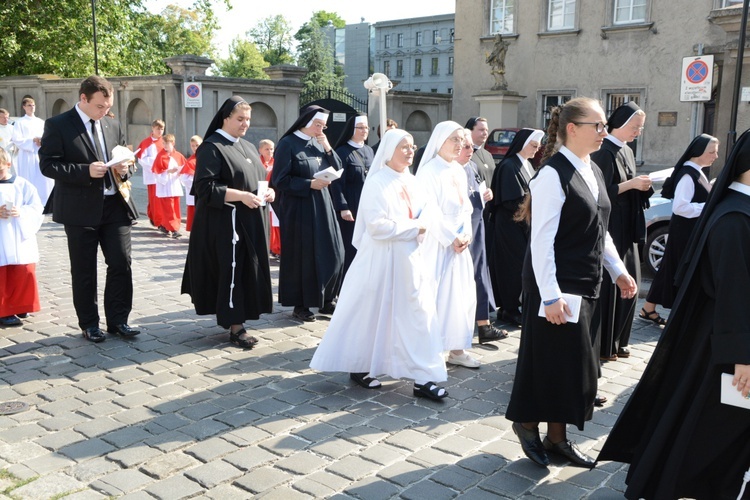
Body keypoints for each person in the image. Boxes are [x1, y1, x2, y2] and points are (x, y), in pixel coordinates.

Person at [598, 129, 750, 500]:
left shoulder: (736, 208)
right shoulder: (735, 219)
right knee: (709, 428)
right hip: (727, 348)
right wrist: (742, 359)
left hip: (723, 341)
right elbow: (734, 295)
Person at [506, 97, 637, 469]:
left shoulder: (592, 169)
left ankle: (558, 437)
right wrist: (549, 297)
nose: (603, 131)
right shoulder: (551, 175)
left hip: (586, 283)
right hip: (557, 288)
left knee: (572, 367)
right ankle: (528, 422)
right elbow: (541, 242)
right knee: (550, 364)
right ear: (573, 129)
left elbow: (600, 229)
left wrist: (617, 270)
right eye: (597, 125)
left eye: (604, 125)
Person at [310, 129, 450, 400]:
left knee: (419, 316)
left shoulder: (413, 181)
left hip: (410, 260)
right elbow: (376, 226)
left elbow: (428, 212)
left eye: (412, 146)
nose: (410, 151)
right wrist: (416, 226)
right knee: (371, 314)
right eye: (404, 147)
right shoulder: (377, 183)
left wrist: (425, 223)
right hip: (382, 261)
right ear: (389, 151)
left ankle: (423, 378)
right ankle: (360, 364)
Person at [39, 75, 140, 342]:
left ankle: (118, 320)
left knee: (121, 262)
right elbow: (48, 165)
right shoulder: (58, 125)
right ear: (83, 98)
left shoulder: (113, 123)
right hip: (79, 209)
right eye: (100, 106)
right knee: (84, 269)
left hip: (115, 206)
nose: (105, 112)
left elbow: (129, 161)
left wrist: (125, 168)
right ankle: (89, 324)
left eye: (108, 106)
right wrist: (85, 171)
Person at [182, 97, 275, 349]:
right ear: (225, 118)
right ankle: (236, 327)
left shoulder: (246, 146)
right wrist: (242, 196)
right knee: (233, 271)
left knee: (247, 271)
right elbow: (204, 187)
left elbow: (258, 180)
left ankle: (240, 319)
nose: (245, 124)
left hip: (251, 221)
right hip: (227, 224)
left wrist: (268, 193)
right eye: (240, 119)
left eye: (248, 120)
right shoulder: (212, 147)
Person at [590, 103, 652, 361]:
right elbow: (601, 193)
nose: (638, 132)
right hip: (613, 223)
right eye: (635, 127)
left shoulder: (626, 149)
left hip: (628, 224)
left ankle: (619, 339)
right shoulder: (604, 151)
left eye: (641, 128)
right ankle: (606, 344)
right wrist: (632, 184)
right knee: (614, 282)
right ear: (621, 123)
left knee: (631, 279)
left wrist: (641, 186)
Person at [271, 105, 345, 322]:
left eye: (323, 125)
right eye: (318, 125)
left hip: (323, 204)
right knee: (303, 257)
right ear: (306, 121)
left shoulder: (319, 142)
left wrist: (328, 147)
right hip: (299, 208)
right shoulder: (287, 144)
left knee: (333, 251)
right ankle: (300, 304)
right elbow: (280, 180)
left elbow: (338, 168)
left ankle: (327, 298)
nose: (321, 129)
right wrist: (309, 184)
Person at [416, 121, 480, 369]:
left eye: (462, 140)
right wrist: (451, 237)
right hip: (437, 243)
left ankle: (457, 348)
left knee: (461, 297)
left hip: (460, 244)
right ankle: (430, 349)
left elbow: (466, 208)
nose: (461, 144)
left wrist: (466, 235)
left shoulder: (458, 170)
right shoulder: (429, 172)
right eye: (455, 139)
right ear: (440, 141)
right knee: (436, 296)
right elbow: (429, 212)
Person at [640, 133, 719, 325]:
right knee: (679, 272)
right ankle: (680, 314)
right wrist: (707, 207)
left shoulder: (697, 171)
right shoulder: (688, 174)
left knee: (669, 269)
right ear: (699, 152)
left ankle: (648, 308)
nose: (715, 156)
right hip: (685, 232)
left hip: (687, 231)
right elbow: (680, 207)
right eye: (712, 152)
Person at [489, 128, 544, 327]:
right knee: (511, 268)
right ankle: (508, 309)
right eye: (533, 145)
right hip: (509, 227)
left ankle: (515, 306)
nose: (536, 150)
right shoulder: (508, 166)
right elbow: (509, 200)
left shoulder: (527, 165)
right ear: (522, 143)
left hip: (523, 225)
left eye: (538, 147)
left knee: (521, 266)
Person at [458, 129, 508, 344]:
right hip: (458, 232)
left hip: (477, 225)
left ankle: (483, 323)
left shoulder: (472, 166)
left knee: (479, 273)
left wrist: (487, 194)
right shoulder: (448, 171)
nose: (471, 151)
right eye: (466, 147)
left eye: (471, 147)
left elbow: (481, 190)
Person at [0, 147, 43, 327]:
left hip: (19, 235)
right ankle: (4, 310)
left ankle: (21, 305)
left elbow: (36, 207)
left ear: (8, 164)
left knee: (24, 270)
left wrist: (22, 212)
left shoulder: (22, 184)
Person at [331, 113, 374, 275]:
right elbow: (337, 183)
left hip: (367, 205)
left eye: (366, 128)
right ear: (352, 129)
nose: (364, 131)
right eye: (361, 127)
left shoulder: (369, 151)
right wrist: (343, 207)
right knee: (350, 246)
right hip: (351, 205)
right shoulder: (342, 151)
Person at [12, 97, 53, 207]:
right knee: (29, 177)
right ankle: (30, 202)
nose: (32, 107)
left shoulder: (40, 122)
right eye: (29, 105)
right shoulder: (19, 122)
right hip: (27, 155)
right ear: (24, 107)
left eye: (33, 105)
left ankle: (45, 201)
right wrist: (32, 141)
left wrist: (42, 141)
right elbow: (16, 139)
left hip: (40, 153)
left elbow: (48, 136)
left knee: (43, 179)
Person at [152, 134, 185, 238]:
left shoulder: (178, 155)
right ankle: (174, 229)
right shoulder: (160, 156)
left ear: (173, 143)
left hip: (175, 185)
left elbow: (185, 168)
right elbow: (156, 172)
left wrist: (180, 172)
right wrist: (168, 172)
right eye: (163, 143)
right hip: (165, 187)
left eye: (167, 143)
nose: (165, 146)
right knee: (169, 208)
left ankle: (166, 226)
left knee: (175, 208)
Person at [136, 120, 165, 228]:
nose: (160, 131)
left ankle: (157, 218)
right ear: (152, 129)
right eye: (158, 129)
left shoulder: (165, 142)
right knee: (155, 200)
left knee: (162, 200)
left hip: (164, 176)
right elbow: (141, 159)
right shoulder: (146, 143)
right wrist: (155, 164)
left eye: (162, 129)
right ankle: (158, 221)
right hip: (152, 176)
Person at [258, 139, 280, 257]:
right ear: (260, 150)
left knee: (276, 223)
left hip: (273, 194)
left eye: (271, 149)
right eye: (267, 149)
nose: (270, 151)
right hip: (260, 194)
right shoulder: (257, 162)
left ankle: (277, 248)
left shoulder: (276, 162)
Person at [180, 135, 201, 232]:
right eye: (193, 146)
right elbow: (184, 178)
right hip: (194, 193)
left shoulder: (205, 157)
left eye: (197, 145)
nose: (195, 148)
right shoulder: (191, 161)